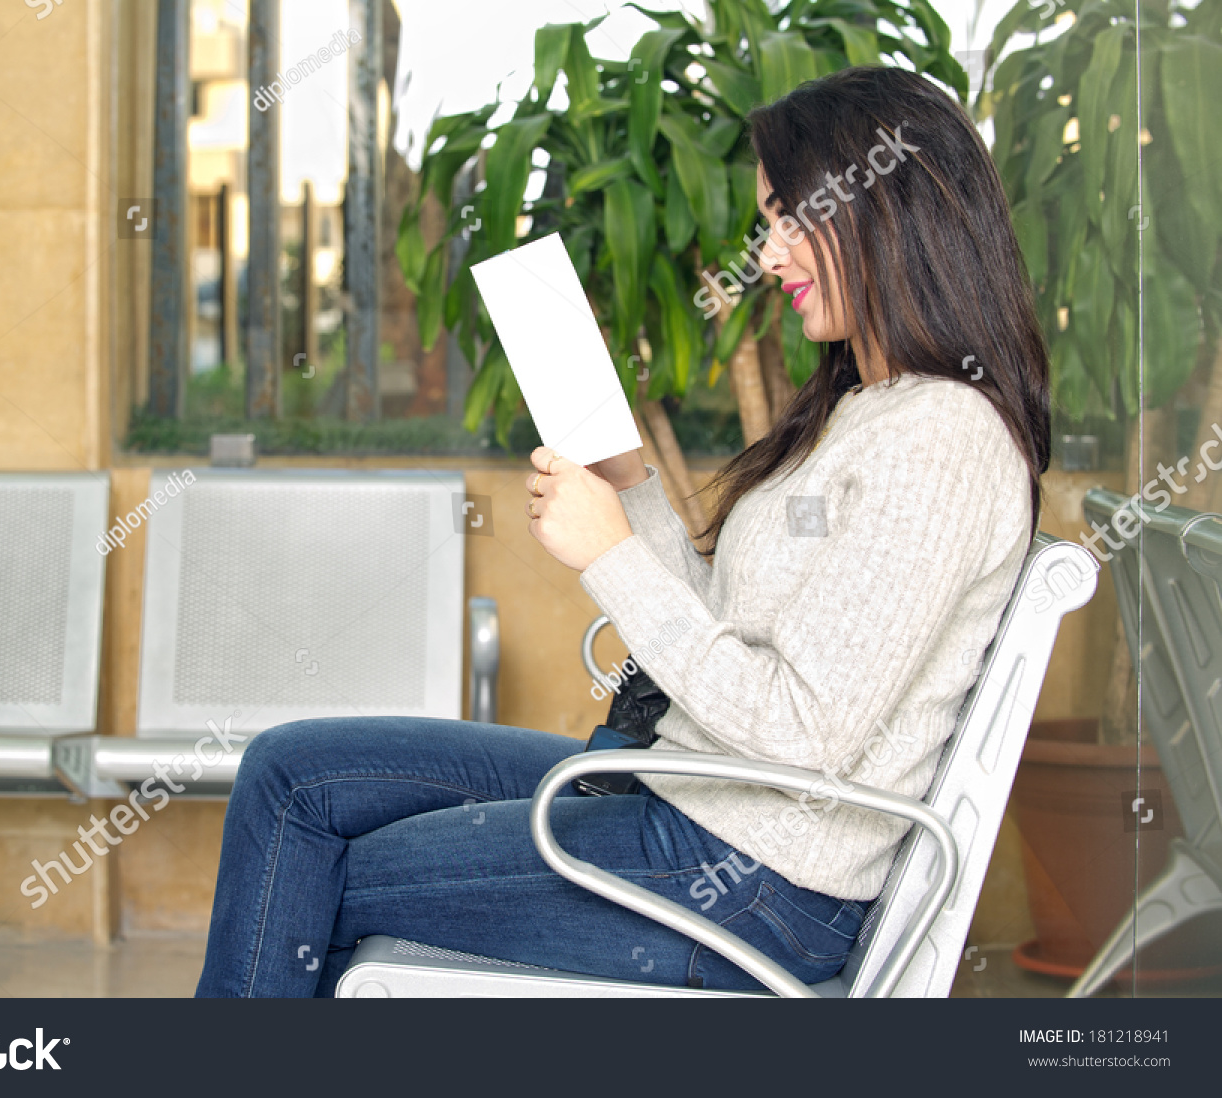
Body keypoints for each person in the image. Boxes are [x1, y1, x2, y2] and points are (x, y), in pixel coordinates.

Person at [194, 65, 1049, 998]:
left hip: (747, 876)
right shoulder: (868, 408)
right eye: (770, 223)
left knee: (312, 872)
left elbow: (803, 734)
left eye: (792, 219)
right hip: (689, 795)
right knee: (292, 778)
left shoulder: (941, 439)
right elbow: (739, 640)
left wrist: (607, 553)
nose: (769, 258)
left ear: (888, 214)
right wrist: (630, 483)